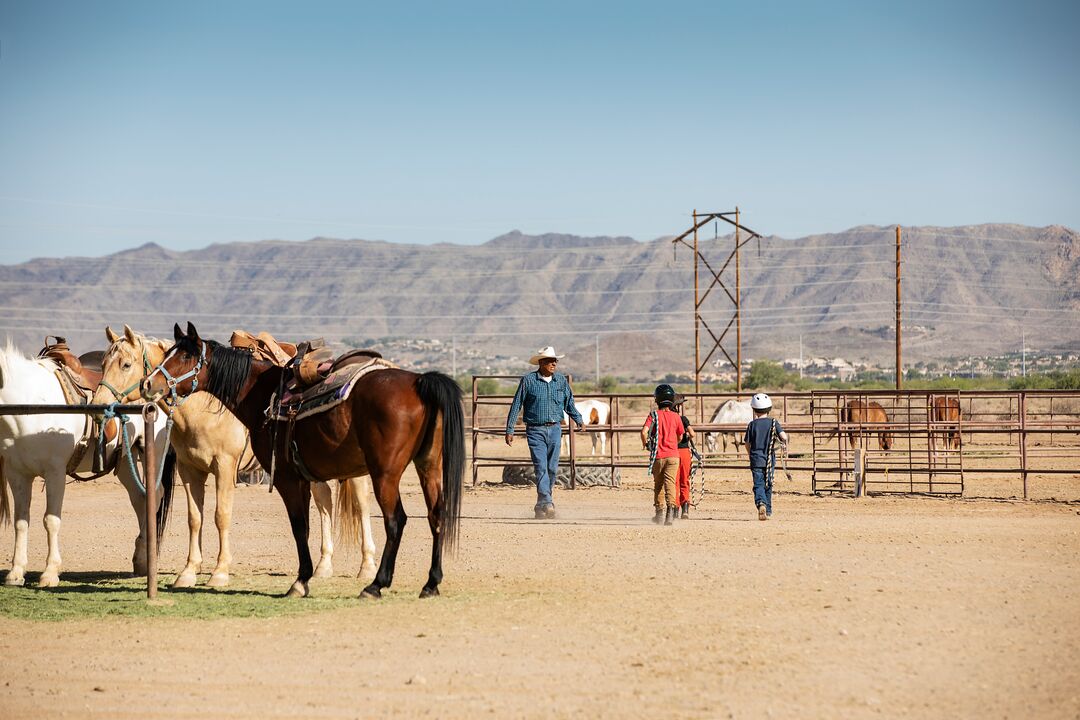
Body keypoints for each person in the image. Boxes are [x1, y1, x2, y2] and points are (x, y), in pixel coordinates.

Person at [505, 346, 584, 519]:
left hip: (555, 429)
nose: (554, 363)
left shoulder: (561, 382)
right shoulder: (528, 381)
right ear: (541, 363)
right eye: (550, 360)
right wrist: (510, 429)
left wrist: (578, 418)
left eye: (555, 360)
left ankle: (541, 504)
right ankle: (548, 501)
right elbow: (517, 404)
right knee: (541, 467)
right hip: (535, 430)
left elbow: (569, 403)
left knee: (552, 468)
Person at [640, 383, 685, 526]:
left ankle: (659, 514)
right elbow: (680, 437)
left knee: (658, 485)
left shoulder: (653, 415)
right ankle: (670, 514)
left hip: (658, 456)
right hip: (673, 456)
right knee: (670, 484)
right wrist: (673, 443)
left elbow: (643, 432)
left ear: (657, 400)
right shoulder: (676, 417)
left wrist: (645, 444)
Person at [743, 392, 789, 521]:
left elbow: (747, 443)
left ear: (754, 409)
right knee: (768, 483)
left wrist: (750, 454)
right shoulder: (774, 423)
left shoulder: (752, 425)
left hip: (756, 459)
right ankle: (768, 510)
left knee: (758, 484)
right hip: (769, 459)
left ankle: (761, 503)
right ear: (769, 409)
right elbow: (784, 437)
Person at [673, 396, 695, 518]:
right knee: (684, 479)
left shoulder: (669, 419)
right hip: (685, 451)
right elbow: (692, 434)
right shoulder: (683, 419)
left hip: (673, 452)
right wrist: (686, 438)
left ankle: (675, 507)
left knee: (674, 481)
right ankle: (685, 507)